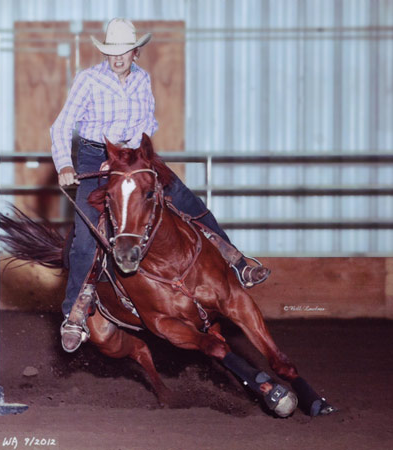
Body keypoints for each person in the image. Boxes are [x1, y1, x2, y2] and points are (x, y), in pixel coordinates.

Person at [50, 18, 269, 353]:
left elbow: (148, 121)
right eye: (112, 52)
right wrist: (65, 164)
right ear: (105, 53)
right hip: (95, 157)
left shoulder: (142, 80)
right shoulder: (89, 80)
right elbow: (62, 125)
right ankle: (75, 314)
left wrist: (126, 157)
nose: (118, 57)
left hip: (134, 154)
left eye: (124, 51)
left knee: (185, 199)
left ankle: (236, 261)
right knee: (85, 238)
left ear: (136, 52)